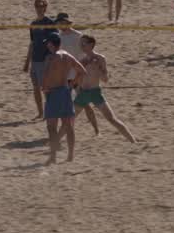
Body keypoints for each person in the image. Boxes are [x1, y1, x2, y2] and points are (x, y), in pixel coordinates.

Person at [74, 35, 137, 142]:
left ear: (91, 45)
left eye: (84, 43)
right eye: (81, 43)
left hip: (95, 92)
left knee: (112, 119)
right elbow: (79, 79)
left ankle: (133, 140)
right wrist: (77, 88)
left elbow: (105, 79)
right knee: (70, 119)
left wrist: (98, 68)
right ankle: (54, 141)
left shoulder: (100, 58)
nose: (81, 45)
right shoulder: (82, 60)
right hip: (83, 92)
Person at [42, 32, 85, 165]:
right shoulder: (67, 56)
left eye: (48, 43)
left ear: (51, 43)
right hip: (65, 91)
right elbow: (82, 71)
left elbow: (47, 76)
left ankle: (53, 156)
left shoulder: (52, 57)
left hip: (54, 93)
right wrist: (73, 83)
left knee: (51, 126)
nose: (47, 45)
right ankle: (70, 155)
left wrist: (45, 87)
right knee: (68, 125)